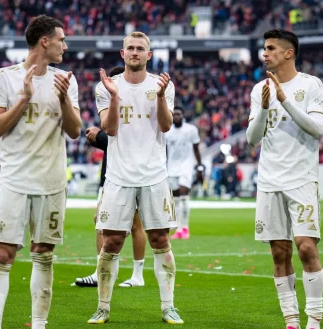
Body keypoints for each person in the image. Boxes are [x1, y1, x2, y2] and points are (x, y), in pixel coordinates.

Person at [0, 15, 81, 329]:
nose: (65, 46)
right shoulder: (3, 77)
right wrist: (24, 98)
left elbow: (75, 130)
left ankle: (39, 325)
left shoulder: (66, 80)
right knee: (2, 254)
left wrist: (64, 97)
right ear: (44, 41)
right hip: (14, 181)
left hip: (51, 182)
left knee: (44, 253)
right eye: (61, 40)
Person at [87, 31, 182, 325]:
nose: (135, 52)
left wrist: (164, 96)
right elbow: (110, 129)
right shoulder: (107, 87)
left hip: (154, 175)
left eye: (141, 48)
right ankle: (103, 307)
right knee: (112, 241)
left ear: (149, 55)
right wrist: (115, 97)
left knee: (160, 238)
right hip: (118, 176)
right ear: (122, 53)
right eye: (131, 48)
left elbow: (166, 127)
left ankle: (168, 307)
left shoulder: (161, 85)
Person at [246, 29, 323, 329]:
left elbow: (317, 129)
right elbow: (253, 139)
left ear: (288, 52)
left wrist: (285, 101)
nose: (265, 53)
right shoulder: (259, 90)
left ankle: (314, 320)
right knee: (279, 252)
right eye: (264, 48)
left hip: (302, 178)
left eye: (270, 48)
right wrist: (266, 107)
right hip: (269, 180)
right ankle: (291, 318)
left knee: (306, 247)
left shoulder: (311, 85)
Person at [75, 66, 147, 288]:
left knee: (134, 225)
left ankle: (137, 275)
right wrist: (98, 136)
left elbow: (127, 142)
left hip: (131, 175)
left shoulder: (137, 107)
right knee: (101, 222)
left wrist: (99, 137)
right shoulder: (113, 106)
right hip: (110, 174)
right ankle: (102, 272)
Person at [165, 106, 203, 240]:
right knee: (175, 199)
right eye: (174, 115)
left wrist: (199, 167)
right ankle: (179, 229)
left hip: (187, 166)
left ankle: (185, 227)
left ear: (183, 115)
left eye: (178, 114)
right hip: (171, 168)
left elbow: (196, 149)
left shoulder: (191, 130)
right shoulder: (167, 132)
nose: (176, 117)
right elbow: (165, 152)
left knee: (183, 195)